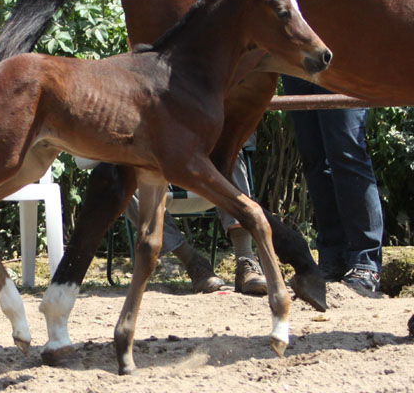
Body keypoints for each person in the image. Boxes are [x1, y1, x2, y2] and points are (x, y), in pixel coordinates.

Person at [80, 135, 268, 296]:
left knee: (229, 148)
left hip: (202, 164)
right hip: (152, 163)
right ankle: (193, 262)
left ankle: (245, 259)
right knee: (118, 173)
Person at [282, 75, 384, 292]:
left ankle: (365, 261)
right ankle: (332, 258)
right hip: (296, 62)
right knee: (314, 158)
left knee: (346, 152)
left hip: (342, 58)